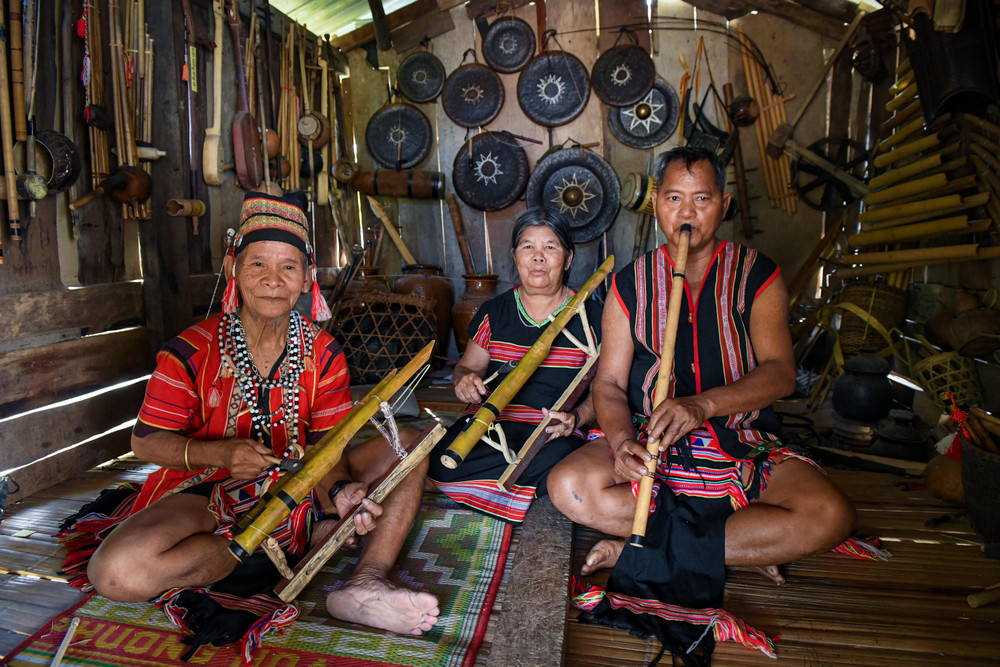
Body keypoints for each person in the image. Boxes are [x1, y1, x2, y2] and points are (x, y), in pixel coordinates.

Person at [77, 191, 438, 643]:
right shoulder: (189, 352)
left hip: (304, 482)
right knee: (115, 573)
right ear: (233, 268)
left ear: (307, 278)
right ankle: (273, 547)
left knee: (411, 443)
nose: (273, 280)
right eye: (257, 264)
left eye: (288, 267)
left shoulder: (324, 353)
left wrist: (340, 490)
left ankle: (366, 581)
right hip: (207, 491)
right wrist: (222, 454)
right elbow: (145, 442)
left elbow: (327, 450)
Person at [546, 147, 864, 658]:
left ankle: (642, 549)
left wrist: (702, 406)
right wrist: (623, 441)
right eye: (674, 199)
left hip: (742, 440)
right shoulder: (628, 284)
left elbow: (781, 373)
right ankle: (738, 545)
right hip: (653, 439)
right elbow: (608, 385)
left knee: (829, 516)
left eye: (702, 199)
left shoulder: (758, 275)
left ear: (724, 204)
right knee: (568, 487)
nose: (687, 213)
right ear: (656, 204)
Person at [427, 208, 602, 523]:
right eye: (528, 246)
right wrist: (464, 381)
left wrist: (577, 418)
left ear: (568, 259)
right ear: (515, 255)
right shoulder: (495, 312)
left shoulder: (592, 316)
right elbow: (467, 367)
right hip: (494, 427)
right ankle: (526, 497)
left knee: (564, 465)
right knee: (441, 460)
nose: (538, 257)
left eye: (550, 247)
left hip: (553, 434)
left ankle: (494, 491)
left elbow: (605, 389)